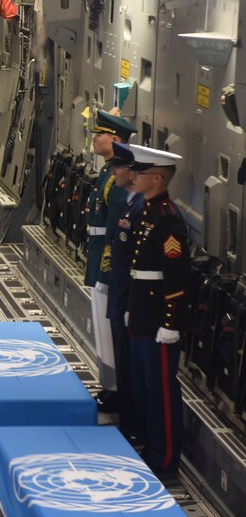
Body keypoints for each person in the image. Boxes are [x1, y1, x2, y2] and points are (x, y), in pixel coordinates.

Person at [126, 145, 189, 477]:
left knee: (162, 390)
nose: (133, 177)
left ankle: (164, 459)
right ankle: (150, 446)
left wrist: (170, 323)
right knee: (144, 387)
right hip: (142, 315)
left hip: (158, 323)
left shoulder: (167, 220)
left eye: (140, 173)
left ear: (156, 178)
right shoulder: (149, 212)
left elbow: (176, 280)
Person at [84, 108, 136, 413]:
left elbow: (117, 226)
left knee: (110, 330)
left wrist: (106, 271)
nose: (94, 140)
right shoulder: (107, 170)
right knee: (104, 332)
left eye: (98, 135)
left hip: (106, 260)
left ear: (114, 139)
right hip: (98, 255)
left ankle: (116, 389)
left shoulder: (117, 179)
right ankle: (110, 386)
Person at [104, 141, 144, 438]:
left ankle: (134, 424)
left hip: (130, 297)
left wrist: (130, 304)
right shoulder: (131, 203)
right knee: (122, 358)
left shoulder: (142, 208)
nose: (114, 171)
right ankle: (128, 420)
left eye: (119, 166)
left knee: (132, 366)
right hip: (120, 293)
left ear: (133, 172)